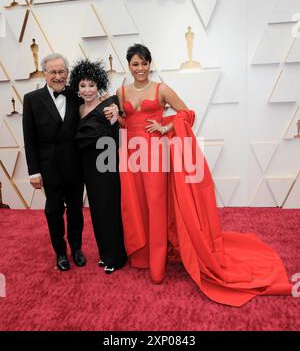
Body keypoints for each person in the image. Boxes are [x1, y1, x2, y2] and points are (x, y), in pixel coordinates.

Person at [106, 43, 291, 306]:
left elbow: (186, 113)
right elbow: (128, 123)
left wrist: (164, 125)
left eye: (144, 63)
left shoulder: (162, 89)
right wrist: (116, 117)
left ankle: (157, 267)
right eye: (135, 64)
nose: (140, 68)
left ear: (150, 64)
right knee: (135, 205)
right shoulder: (120, 91)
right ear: (129, 66)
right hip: (132, 155)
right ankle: (141, 258)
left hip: (156, 153)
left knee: (157, 207)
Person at [22, 53, 86, 271]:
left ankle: (76, 248)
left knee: (76, 210)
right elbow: (29, 138)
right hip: (49, 168)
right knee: (54, 211)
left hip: (75, 166)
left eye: (62, 71)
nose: (58, 76)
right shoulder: (31, 99)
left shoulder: (78, 97)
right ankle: (60, 252)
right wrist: (33, 172)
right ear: (44, 73)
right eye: (53, 72)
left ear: (67, 73)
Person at [69, 59, 127, 274]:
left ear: (99, 85)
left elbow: (119, 127)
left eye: (92, 85)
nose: (87, 90)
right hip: (86, 165)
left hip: (105, 163)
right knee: (97, 210)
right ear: (77, 87)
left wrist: (117, 115)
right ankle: (106, 254)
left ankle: (117, 257)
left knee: (109, 209)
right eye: (83, 85)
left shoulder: (109, 105)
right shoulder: (79, 108)